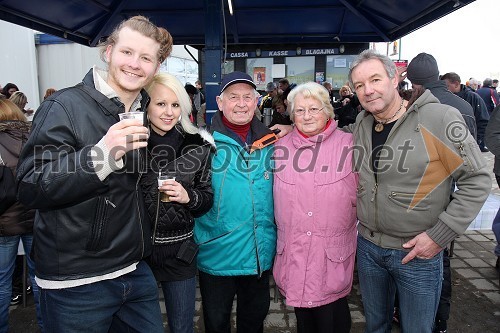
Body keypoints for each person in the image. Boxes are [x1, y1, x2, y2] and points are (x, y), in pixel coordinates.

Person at [15, 15, 173, 332]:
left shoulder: (140, 110)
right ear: (108, 52)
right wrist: (101, 155)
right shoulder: (64, 105)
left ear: (155, 68)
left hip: (133, 270)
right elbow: (31, 185)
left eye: (146, 57)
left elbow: (124, 191)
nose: (135, 64)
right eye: (127, 52)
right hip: (77, 282)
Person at [347, 49, 490, 333]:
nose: (368, 90)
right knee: (376, 325)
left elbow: (477, 180)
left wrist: (439, 236)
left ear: (395, 78)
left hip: (417, 253)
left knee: (417, 329)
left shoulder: (439, 118)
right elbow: (329, 135)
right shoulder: (363, 123)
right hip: (368, 248)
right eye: (360, 85)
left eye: (375, 80)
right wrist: (291, 129)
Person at [194, 71, 277, 333]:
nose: (241, 103)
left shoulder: (272, 142)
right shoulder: (201, 143)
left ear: (256, 102)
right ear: (220, 102)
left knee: (253, 322)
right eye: (233, 97)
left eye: (247, 97)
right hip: (217, 254)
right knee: (217, 323)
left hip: (258, 255)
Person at [273, 82, 357, 333]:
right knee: (304, 323)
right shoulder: (279, 147)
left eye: (314, 108)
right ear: (291, 115)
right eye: (299, 110)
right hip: (295, 256)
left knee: (333, 321)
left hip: (331, 258)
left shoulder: (350, 145)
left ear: (328, 111)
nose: (307, 116)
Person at [141, 73, 214, 333]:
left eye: (175, 105)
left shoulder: (198, 145)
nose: (169, 112)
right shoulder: (130, 144)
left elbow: (206, 199)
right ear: (146, 104)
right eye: (161, 104)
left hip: (180, 252)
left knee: (182, 326)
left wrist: (188, 197)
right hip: (138, 254)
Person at [0, 99, 43, 333]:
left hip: (4, 222)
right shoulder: (34, 137)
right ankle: (47, 326)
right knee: (40, 279)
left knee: (1, 283)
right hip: (35, 217)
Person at [441, 72, 490, 152]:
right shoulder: (443, 99)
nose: (444, 89)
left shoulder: (473, 98)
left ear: (456, 84)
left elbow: (483, 121)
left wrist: (477, 143)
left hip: (469, 146)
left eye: (447, 86)